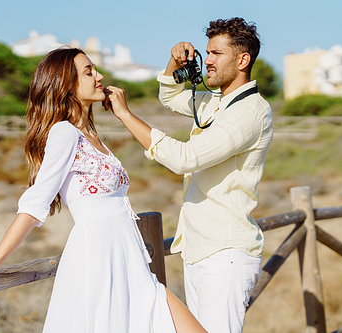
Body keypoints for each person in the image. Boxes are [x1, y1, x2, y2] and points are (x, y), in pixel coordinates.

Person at [0, 47, 206, 333]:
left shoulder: (91, 136)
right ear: (66, 85)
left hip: (130, 263)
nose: (100, 76)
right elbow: (35, 204)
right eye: (89, 71)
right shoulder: (64, 133)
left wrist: (123, 114)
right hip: (98, 259)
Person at [104, 17, 273, 333]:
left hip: (224, 253)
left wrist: (125, 115)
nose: (206, 61)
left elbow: (185, 158)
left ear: (243, 60)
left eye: (216, 54)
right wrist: (174, 62)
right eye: (207, 52)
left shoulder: (248, 112)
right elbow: (169, 96)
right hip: (201, 249)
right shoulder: (217, 101)